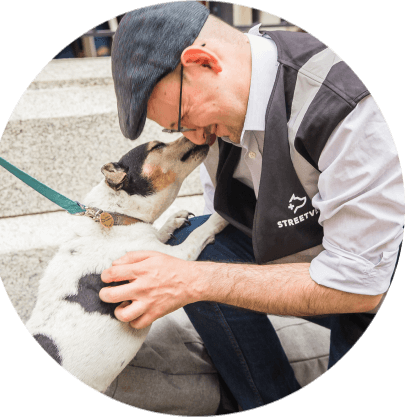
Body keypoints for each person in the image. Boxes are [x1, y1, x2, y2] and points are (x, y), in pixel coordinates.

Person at [99, 1, 405, 411]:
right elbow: (223, 220)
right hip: (313, 257)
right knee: (200, 240)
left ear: (204, 62)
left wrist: (194, 281)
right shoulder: (221, 116)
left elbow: (361, 286)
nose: (195, 138)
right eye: (177, 129)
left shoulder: (346, 103)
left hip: (376, 284)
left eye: (186, 118)